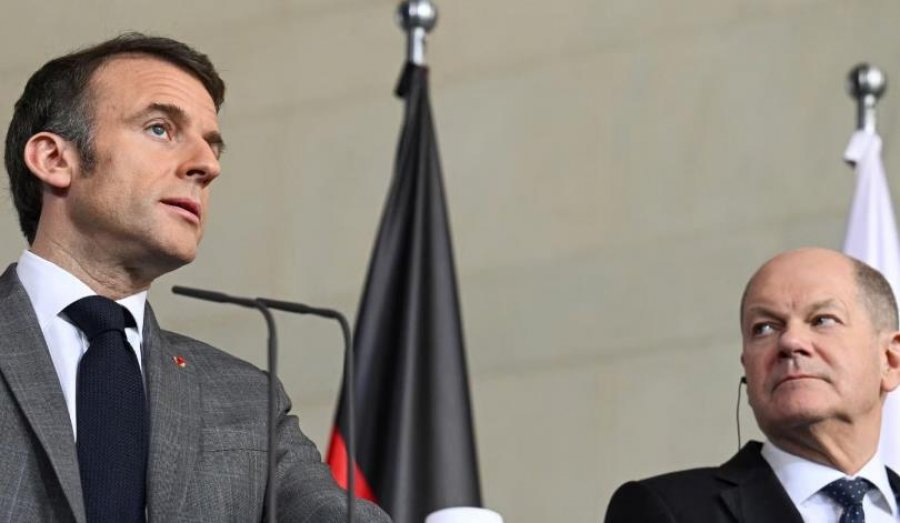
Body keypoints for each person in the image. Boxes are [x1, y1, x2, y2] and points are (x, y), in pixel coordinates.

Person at [0, 33, 391, 522]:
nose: (207, 166)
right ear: (54, 159)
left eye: (212, 147)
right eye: (160, 129)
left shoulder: (246, 399)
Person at [605, 247, 900, 522]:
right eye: (764, 328)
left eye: (822, 320)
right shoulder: (666, 509)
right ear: (747, 369)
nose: (790, 341)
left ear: (890, 360)